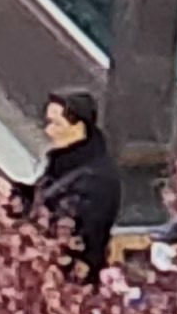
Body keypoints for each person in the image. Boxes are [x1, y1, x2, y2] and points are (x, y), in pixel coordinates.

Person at [28, 86, 121, 279]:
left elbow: (73, 235)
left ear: (78, 127)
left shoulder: (95, 180)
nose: (49, 131)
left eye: (56, 124)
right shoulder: (64, 165)